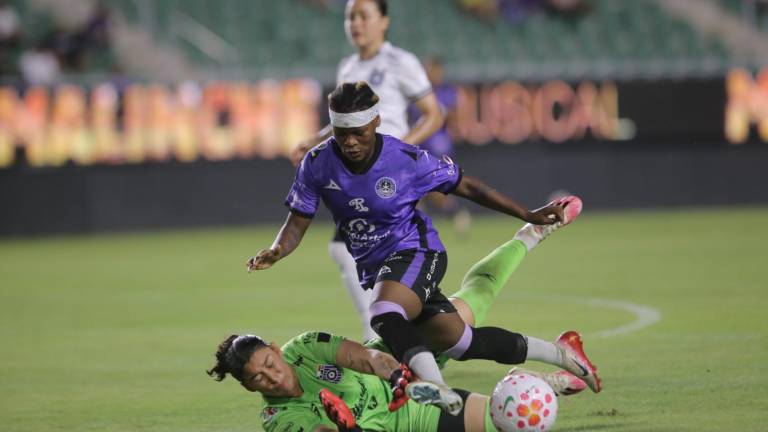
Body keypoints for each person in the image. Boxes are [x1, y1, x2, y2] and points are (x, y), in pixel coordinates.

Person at [248, 82, 602, 414]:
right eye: (342, 134)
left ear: (375, 122)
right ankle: (563, 355)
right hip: (379, 268)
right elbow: (298, 220)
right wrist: (278, 249)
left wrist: (527, 213)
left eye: (359, 133)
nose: (351, 142)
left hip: (417, 252)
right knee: (461, 343)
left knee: (384, 314)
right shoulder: (317, 163)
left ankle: (437, 389)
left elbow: (469, 187)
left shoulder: (405, 160)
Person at [290, 0, 445, 342]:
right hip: (356, 170)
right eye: (350, 17)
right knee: (374, 251)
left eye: (364, 16)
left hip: (388, 174)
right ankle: (420, 332)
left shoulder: (399, 61)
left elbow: (434, 114)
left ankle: (381, 335)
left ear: (384, 21)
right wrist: (313, 141)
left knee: (353, 247)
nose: (356, 23)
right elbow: (343, 123)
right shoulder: (347, 67)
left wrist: (401, 153)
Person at [409, 56, 471, 236]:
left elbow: (454, 120)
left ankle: (456, 213)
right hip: (419, 144)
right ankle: (419, 225)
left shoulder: (447, 93)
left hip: (437, 145)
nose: (431, 74)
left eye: (434, 70)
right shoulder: (418, 94)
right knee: (414, 187)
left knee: (434, 190)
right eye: (428, 70)